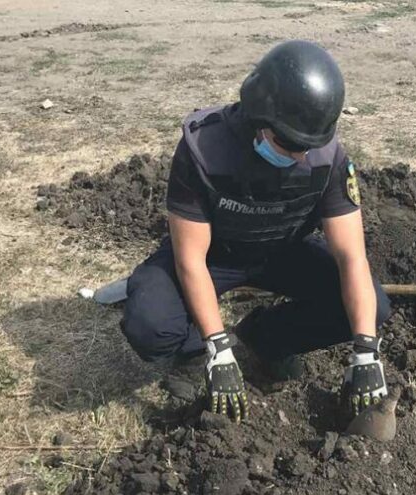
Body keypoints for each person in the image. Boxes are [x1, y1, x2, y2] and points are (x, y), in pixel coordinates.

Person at [120, 40, 390, 423]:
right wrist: (217, 346)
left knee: (372, 308)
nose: (298, 155)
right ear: (258, 114)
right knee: (151, 326)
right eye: (288, 143)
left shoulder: (327, 159)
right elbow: (191, 259)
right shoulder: (205, 149)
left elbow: (351, 256)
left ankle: (267, 338)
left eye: (307, 146)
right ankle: (195, 341)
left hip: (281, 250)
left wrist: (366, 350)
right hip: (215, 255)